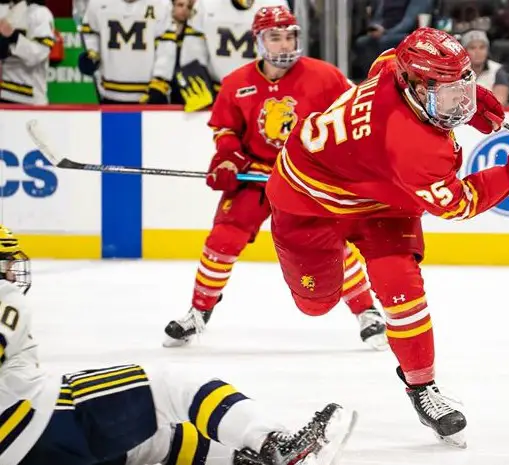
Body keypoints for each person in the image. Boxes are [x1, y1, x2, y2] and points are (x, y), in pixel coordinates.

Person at [265, 27, 509, 447]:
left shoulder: (390, 62)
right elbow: (458, 203)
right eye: (448, 93)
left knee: (402, 289)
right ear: (414, 85)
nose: (459, 101)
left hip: (382, 196)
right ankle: (346, 266)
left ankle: (422, 387)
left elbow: (416, 74)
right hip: (307, 204)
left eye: (463, 88)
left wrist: (467, 105)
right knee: (316, 304)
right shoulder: (413, 146)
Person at [0, 225, 357, 465]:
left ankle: (244, 460)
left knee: (156, 439)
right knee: (172, 389)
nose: (14, 273)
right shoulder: (4, 294)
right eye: (6, 262)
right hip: (32, 422)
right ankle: (275, 446)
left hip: (18, 451)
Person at [163, 5, 387, 351]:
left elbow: (352, 117)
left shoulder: (326, 77)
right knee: (222, 240)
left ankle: (367, 312)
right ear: (259, 40)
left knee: (332, 246)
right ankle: (198, 312)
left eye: (290, 37)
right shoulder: (236, 83)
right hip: (255, 178)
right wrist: (226, 159)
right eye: (275, 37)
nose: (284, 45)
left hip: (306, 181)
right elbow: (225, 130)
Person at [151, 0, 288, 108]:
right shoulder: (206, 5)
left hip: (262, 98)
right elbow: (192, 53)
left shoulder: (276, 6)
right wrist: (201, 91)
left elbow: (284, 53)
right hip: (216, 97)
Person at [77, 0, 174, 104]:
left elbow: (166, 48)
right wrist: (92, 54)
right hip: (109, 94)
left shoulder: (162, 5)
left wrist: (160, 82)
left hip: (149, 96)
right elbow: (91, 32)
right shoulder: (97, 4)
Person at [0, 0, 55, 105]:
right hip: (4, 94)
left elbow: (38, 54)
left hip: (29, 97)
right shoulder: (3, 10)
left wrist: (14, 38)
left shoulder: (40, 13)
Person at [460, 29, 509, 105]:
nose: (478, 52)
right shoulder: (456, 71)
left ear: (487, 50)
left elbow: (500, 102)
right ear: (464, 51)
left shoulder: (497, 70)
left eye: (482, 47)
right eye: (472, 48)